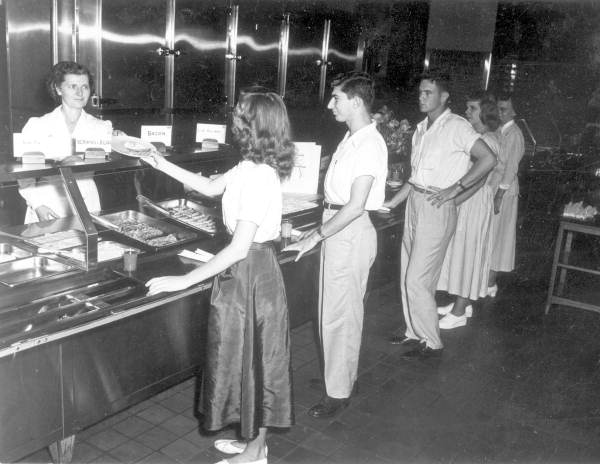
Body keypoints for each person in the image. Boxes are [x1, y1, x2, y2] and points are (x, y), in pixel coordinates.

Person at [145, 90, 294, 464]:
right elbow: (210, 186)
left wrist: (185, 280)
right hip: (244, 274)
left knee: (258, 362)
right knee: (244, 360)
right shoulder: (247, 167)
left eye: (239, 116)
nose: (233, 120)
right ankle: (252, 444)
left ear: (252, 126)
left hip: (253, 273)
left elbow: (240, 246)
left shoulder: (260, 176)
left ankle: (257, 452)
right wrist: (159, 162)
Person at [293, 72, 388, 418]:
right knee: (333, 312)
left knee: (341, 315)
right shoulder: (352, 138)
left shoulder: (369, 144)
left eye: (337, 98)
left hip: (348, 232)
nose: (331, 103)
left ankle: (338, 393)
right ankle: (340, 377)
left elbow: (355, 205)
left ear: (357, 102)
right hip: (339, 231)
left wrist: (316, 236)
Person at [383, 70, 496, 357]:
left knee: (418, 279)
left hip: (437, 207)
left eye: (428, 93)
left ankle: (432, 341)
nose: (421, 97)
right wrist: (392, 203)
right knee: (408, 271)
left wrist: (455, 189)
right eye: (420, 92)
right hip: (415, 204)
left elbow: (488, 159)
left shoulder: (457, 126)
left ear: (444, 97)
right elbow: (415, 178)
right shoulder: (421, 129)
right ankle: (414, 332)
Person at [18, 61, 113, 223]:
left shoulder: (102, 127)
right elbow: (24, 173)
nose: (80, 93)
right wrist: (38, 205)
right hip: (47, 201)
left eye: (85, 87)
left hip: (87, 201)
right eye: (72, 86)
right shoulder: (37, 125)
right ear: (58, 89)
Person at [436, 93, 501, 329]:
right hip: (469, 200)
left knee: (468, 254)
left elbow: (479, 182)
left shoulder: (489, 141)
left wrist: (453, 201)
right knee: (461, 253)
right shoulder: (479, 137)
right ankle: (461, 304)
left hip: (473, 201)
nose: (467, 112)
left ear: (485, 113)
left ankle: (460, 311)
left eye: (472, 108)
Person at [487, 94, 525, 296]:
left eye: (504, 109)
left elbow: (511, 168)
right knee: (490, 237)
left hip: (505, 192)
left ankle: (490, 283)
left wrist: (499, 196)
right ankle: (485, 282)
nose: (500, 113)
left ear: (514, 112)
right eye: (498, 109)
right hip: (493, 187)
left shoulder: (515, 134)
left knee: (498, 238)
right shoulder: (498, 131)